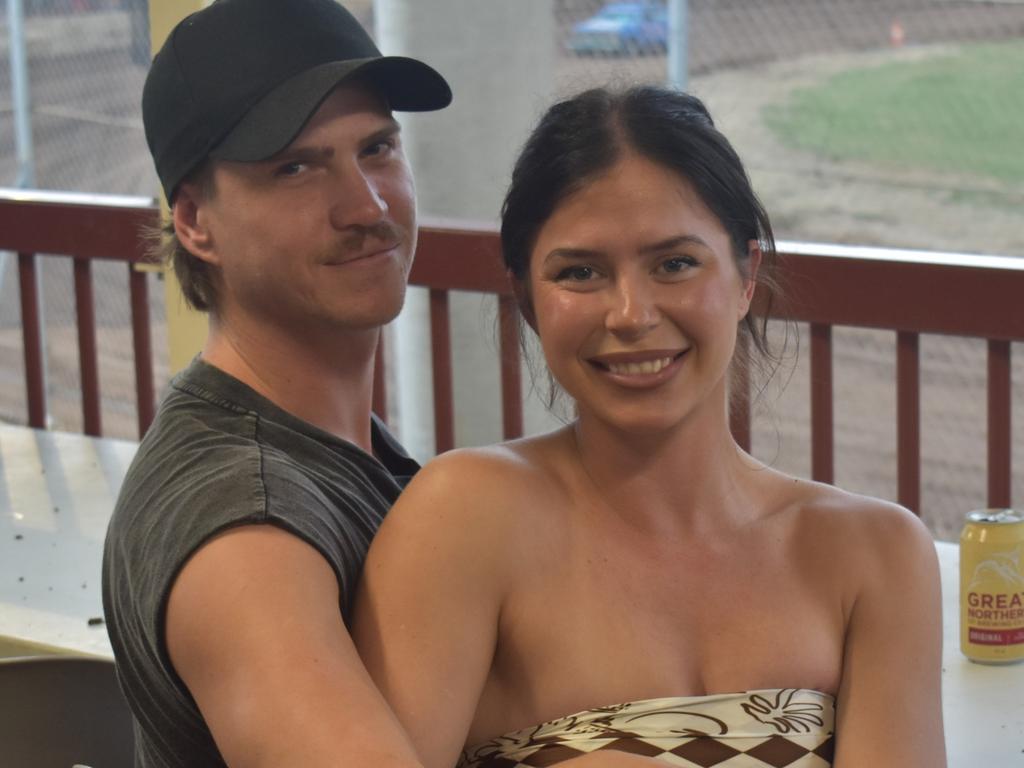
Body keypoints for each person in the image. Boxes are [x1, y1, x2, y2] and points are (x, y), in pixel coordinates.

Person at [353, 86, 946, 768]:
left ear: (746, 273)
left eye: (675, 264)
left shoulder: (876, 554)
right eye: (580, 272)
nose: (631, 314)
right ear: (527, 298)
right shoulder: (466, 516)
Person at [101, 0, 452, 766]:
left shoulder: (321, 445)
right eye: (295, 167)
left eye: (378, 147)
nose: (366, 205)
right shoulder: (245, 528)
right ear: (195, 221)